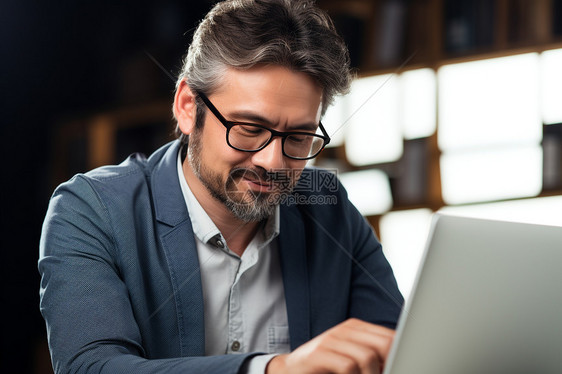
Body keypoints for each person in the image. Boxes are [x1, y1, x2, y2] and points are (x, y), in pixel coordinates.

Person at [38, 0, 404, 373]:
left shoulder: (330, 209)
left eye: (298, 137)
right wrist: (272, 369)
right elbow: (92, 367)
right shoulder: (89, 210)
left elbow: (400, 348)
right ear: (186, 106)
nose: (273, 163)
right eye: (248, 129)